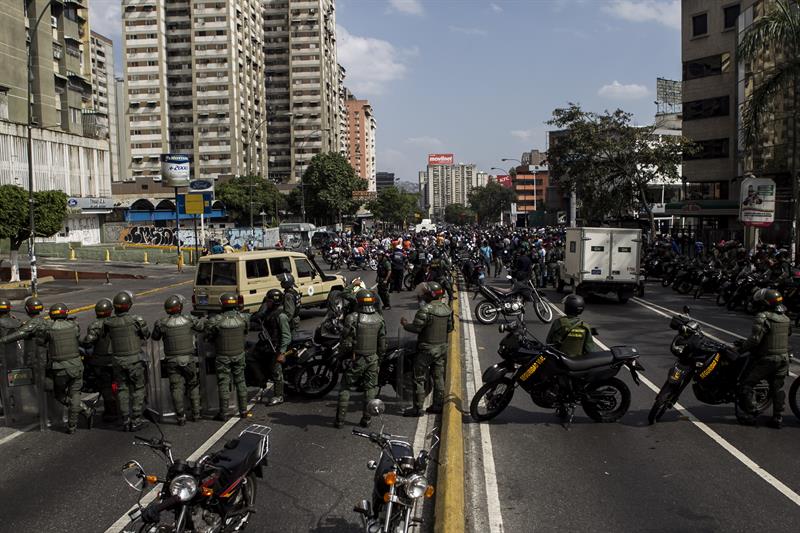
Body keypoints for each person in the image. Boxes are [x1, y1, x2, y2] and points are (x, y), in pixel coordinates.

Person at [3, 304, 89, 433]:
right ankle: (74, 423)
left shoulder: (49, 328)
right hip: (76, 365)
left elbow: (40, 341)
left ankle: (81, 411)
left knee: (56, 393)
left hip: (59, 367)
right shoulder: (74, 326)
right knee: (75, 393)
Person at [95, 291, 151, 431]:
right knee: (138, 388)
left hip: (118, 361)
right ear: (129, 305)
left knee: (122, 388)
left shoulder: (109, 322)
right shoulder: (136, 320)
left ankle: (125, 419)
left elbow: (103, 335)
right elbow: (146, 335)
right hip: (134, 360)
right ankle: (136, 418)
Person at [736, 288, 791, 428]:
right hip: (784, 359)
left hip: (767, 359)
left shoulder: (763, 317)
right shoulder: (786, 318)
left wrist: (740, 349)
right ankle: (778, 418)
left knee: (746, 384)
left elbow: (755, 340)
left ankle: (750, 414)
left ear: (765, 303)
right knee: (777, 388)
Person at [334, 289, 386, 429]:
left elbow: (345, 341)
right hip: (372, 358)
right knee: (370, 388)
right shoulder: (379, 318)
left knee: (345, 386)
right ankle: (366, 419)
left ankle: (340, 420)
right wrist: (379, 360)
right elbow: (382, 344)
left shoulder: (352, 318)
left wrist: (341, 356)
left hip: (356, 358)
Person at [400, 281, 452, 417]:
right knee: (438, 377)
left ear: (430, 295)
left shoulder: (425, 310)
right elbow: (449, 328)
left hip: (426, 350)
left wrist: (405, 325)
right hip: (441, 349)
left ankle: (417, 408)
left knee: (418, 378)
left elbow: (417, 328)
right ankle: (438, 405)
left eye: (425, 293)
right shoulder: (447, 309)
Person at [151, 295, 204, 425]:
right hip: (188, 359)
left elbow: (155, 337)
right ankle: (196, 414)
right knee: (193, 385)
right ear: (179, 307)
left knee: (176, 388)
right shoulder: (189, 320)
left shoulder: (161, 323)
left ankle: (180, 416)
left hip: (172, 361)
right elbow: (201, 327)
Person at [203, 293, 250, 420]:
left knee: (223, 383)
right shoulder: (243, 318)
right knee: (241, 381)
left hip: (222, 356)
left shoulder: (215, 320)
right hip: (239, 354)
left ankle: (223, 413)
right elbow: (246, 332)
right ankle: (244, 410)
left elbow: (208, 336)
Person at [252, 288, 291, 406]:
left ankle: (279, 396)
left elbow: (286, 336)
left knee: (276, 372)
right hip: (266, 346)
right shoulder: (268, 312)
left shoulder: (281, 316)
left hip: (275, 348)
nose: (267, 303)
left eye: (269, 301)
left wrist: (282, 353)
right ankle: (262, 385)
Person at [82, 298, 119, 422]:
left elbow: (88, 342)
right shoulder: (117, 322)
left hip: (101, 361)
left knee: (106, 386)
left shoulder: (95, 325)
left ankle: (111, 412)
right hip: (117, 359)